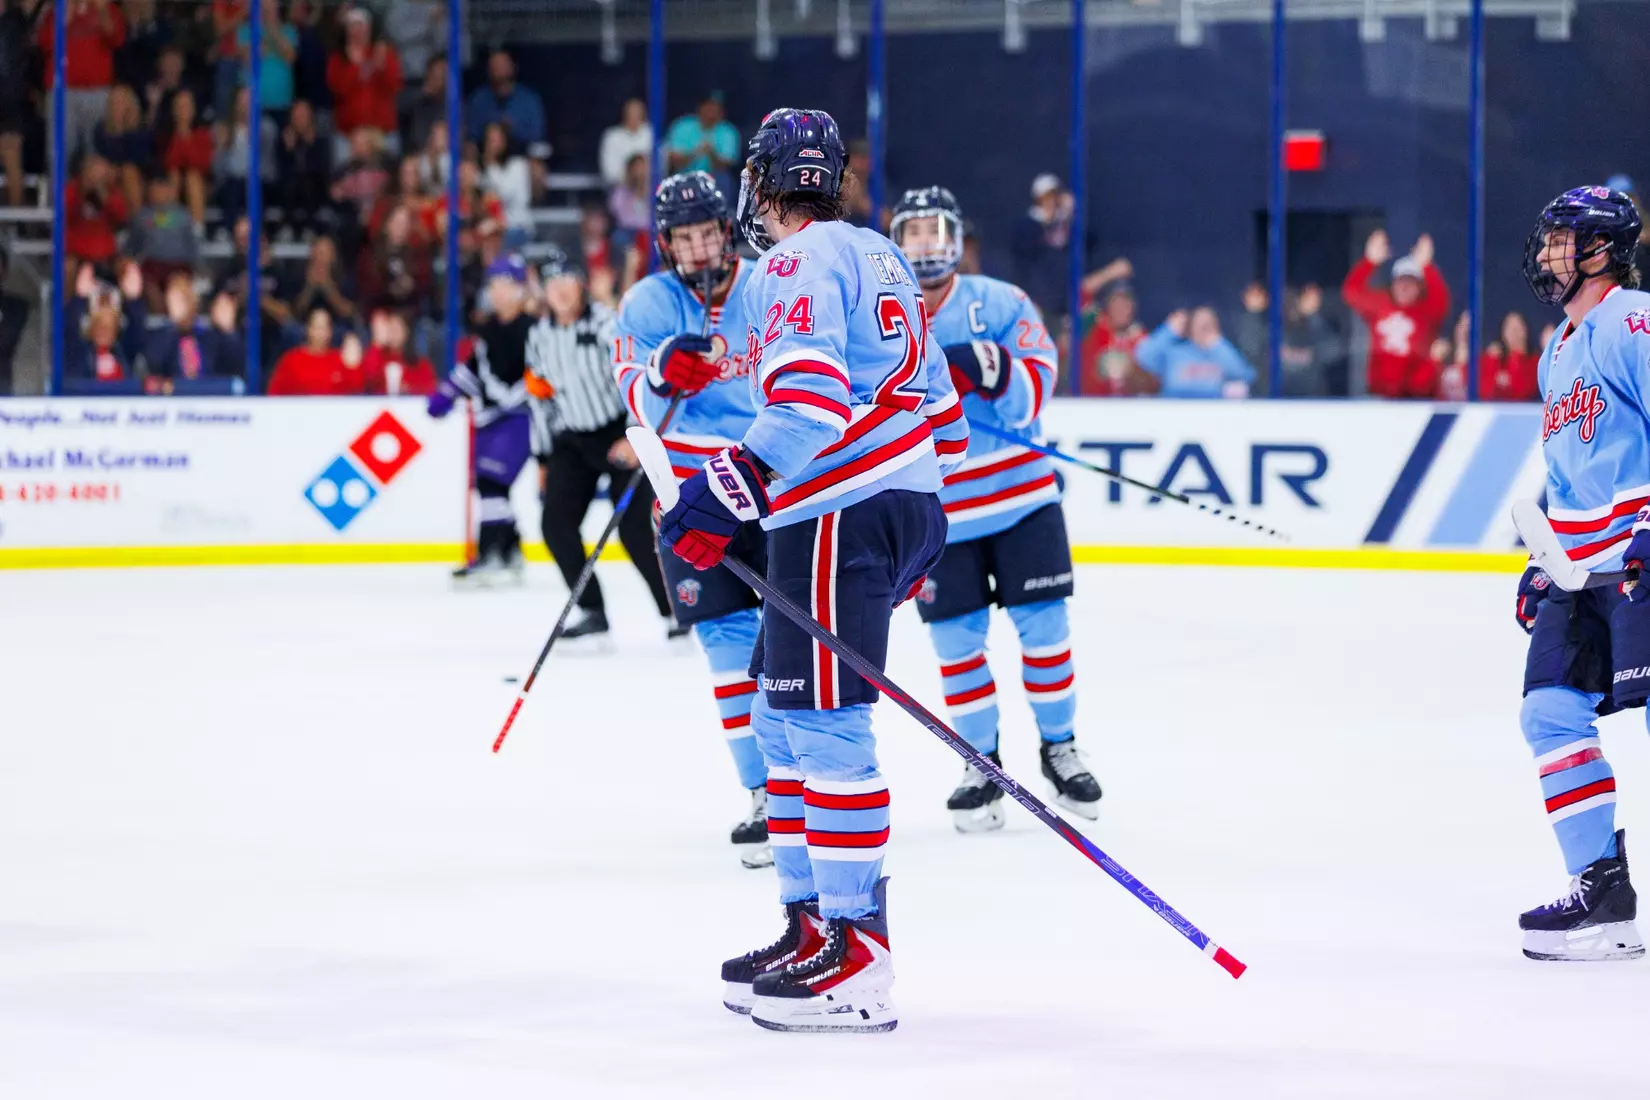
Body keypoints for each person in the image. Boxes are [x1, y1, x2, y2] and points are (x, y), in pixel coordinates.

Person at [656, 108, 969, 1033]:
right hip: (883, 509)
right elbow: (945, 417)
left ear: (761, 183)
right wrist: (901, 509)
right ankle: (811, 926)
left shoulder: (792, 262)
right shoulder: (880, 254)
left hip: (838, 513)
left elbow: (807, 404)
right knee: (777, 714)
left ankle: (857, 954)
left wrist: (725, 491)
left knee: (825, 726)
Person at [890, 185, 1100, 832]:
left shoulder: (1002, 301)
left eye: (935, 230)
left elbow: (1037, 390)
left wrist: (995, 368)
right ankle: (979, 763)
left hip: (1023, 503)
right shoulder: (875, 314)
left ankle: (1060, 748)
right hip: (938, 516)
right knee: (956, 645)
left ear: (958, 238)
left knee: (1045, 631)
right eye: (913, 232)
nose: (925, 244)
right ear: (895, 243)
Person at [611, 171, 770, 866]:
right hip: (690, 502)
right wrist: (660, 373)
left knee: (793, 648)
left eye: (708, 232)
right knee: (729, 652)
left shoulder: (769, 286)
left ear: (727, 231)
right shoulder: (646, 303)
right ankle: (764, 793)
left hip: (773, 488)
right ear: (665, 244)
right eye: (685, 237)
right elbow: (634, 400)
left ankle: (810, 784)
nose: (700, 248)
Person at [1512, 184, 1650, 962]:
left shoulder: (1635, 322)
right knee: (1550, 712)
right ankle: (1602, 896)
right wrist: (1543, 560)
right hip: (1581, 567)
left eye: (1560, 241)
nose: (1545, 254)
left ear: (1601, 251)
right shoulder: (1557, 350)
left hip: (1637, 552)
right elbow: (1567, 473)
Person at [526, 246, 675, 632]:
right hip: (573, 439)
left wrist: (635, 434)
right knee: (555, 525)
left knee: (634, 530)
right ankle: (592, 610)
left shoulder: (608, 325)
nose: (560, 290)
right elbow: (540, 400)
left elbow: (636, 378)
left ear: (581, 283)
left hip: (619, 433)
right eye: (552, 283)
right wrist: (542, 458)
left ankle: (673, 608)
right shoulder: (539, 336)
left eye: (566, 279)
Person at [427, 255, 536, 584]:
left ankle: (489, 553)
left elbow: (539, 375)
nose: (498, 291)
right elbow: (476, 367)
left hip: (522, 418)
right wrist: (448, 393)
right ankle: (511, 549)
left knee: (491, 480)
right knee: (492, 486)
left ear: (521, 289)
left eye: (506, 284)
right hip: (490, 419)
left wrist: (516, 398)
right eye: (493, 284)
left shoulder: (533, 330)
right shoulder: (488, 329)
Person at [1342, 230, 1450, 398]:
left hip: (1417, 398)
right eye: (1400, 281)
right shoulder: (1381, 305)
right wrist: (1369, 262)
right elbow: (1351, 292)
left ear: (1420, 287)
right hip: (1380, 397)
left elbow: (1441, 299)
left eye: (1411, 282)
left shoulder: (1426, 311)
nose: (1404, 287)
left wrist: (1427, 266)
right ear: (1393, 284)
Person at [141, 273, 243, 384]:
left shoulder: (209, 336)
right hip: (175, 392)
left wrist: (228, 331)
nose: (177, 305)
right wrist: (174, 324)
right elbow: (154, 363)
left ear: (191, 300)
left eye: (181, 299)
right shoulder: (162, 335)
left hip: (208, 391)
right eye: (172, 300)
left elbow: (235, 365)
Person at [1136, 306, 1256, 398]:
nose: (1203, 327)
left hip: (1212, 413)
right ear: (1191, 326)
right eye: (1199, 323)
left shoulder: (1221, 353)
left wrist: (1218, 344)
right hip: (1174, 412)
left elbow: (1245, 375)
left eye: (1208, 324)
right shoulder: (1175, 352)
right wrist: (1169, 330)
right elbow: (1143, 357)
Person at [267, 307, 358, 394]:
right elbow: (274, 391)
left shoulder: (341, 358)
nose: (321, 333)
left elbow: (356, 391)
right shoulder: (291, 359)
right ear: (308, 329)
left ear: (331, 331)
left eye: (325, 328)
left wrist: (352, 366)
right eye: (317, 327)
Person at [465, 48, 545, 147]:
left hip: (522, 153)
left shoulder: (529, 99)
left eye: (504, 66)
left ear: (514, 68)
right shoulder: (478, 100)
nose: (500, 73)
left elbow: (537, 136)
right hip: (486, 154)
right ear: (488, 71)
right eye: (495, 67)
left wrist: (511, 129)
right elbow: (471, 137)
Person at [480, 121, 533, 250]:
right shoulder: (486, 169)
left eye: (497, 139)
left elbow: (504, 194)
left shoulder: (518, 165)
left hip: (517, 226)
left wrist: (490, 163)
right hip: (496, 224)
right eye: (490, 140)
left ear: (505, 140)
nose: (494, 145)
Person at [664, 91, 738, 183]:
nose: (712, 110)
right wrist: (696, 152)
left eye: (716, 107)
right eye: (709, 105)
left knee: (724, 179)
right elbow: (674, 160)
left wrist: (711, 152)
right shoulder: (682, 126)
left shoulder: (728, 131)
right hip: (685, 177)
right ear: (700, 107)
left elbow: (724, 166)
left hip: (714, 181)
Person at [359, 309, 436, 395]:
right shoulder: (378, 357)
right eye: (390, 329)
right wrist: (377, 344)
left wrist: (408, 389)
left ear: (406, 331)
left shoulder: (420, 363)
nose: (393, 333)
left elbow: (430, 389)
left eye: (397, 329)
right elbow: (368, 380)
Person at [1479, 310, 1541, 402]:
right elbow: (1483, 392)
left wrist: (1516, 356)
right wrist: (1492, 362)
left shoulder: (1535, 360)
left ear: (1526, 331)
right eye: (1509, 328)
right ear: (1502, 333)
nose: (1514, 332)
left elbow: (1523, 392)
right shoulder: (1493, 357)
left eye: (1518, 327)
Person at [599, 98, 651, 190]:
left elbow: (660, 166)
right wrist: (633, 175)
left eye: (638, 113)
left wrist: (643, 175)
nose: (634, 116)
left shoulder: (651, 134)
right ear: (624, 114)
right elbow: (609, 173)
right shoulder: (612, 136)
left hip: (648, 190)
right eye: (631, 113)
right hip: (620, 190)